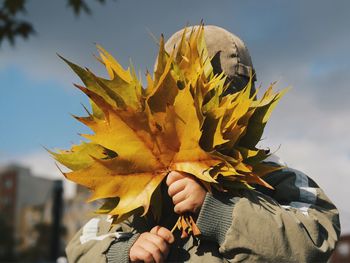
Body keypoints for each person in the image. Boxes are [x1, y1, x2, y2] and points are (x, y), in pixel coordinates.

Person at [65, 25, 340, 263]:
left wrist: (217, 210)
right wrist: (125, 251)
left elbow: (313, 239)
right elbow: (84, 243)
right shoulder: (145, 190)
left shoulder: (274, 176)